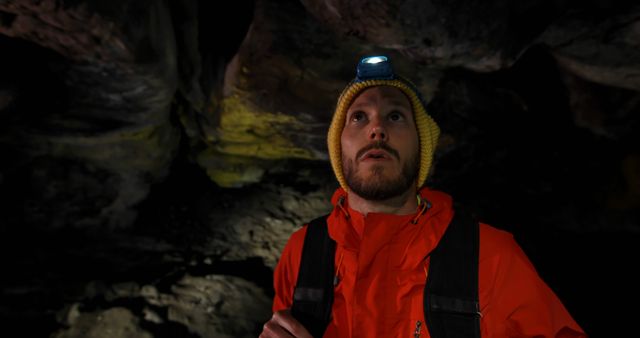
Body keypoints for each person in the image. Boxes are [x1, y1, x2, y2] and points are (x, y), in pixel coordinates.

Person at [260, 56, 586, 338]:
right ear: (338, 145)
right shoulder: (302, 250)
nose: (377, 129)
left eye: (396, 116)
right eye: (358, 116)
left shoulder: (491, 255)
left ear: (422, 147)